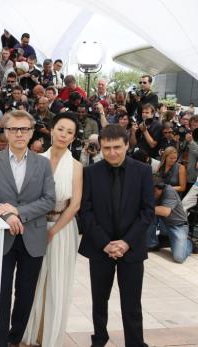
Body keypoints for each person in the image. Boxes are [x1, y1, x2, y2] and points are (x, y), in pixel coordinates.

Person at [0, 110, 56, 347]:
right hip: (2, 238)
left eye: (24, 129)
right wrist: (7, 214)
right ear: (6, 132)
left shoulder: (42, 164)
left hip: (33, 236)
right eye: (13, 129)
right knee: (1, 293)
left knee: (25, 294)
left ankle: (14, 339)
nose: (19, 133)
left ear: (32, 132)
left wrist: (18, 212)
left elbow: (49, 200)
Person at [79, 124, 154, 347]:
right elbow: (86, 210)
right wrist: (105, 244)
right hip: (100, 248)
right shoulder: (91, 172)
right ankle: (99, 339)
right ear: (100, 147)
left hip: (131, 248)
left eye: (117, 147)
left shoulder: (142, 171)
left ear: (127, 145)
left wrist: (126, 242)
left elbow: (147, 211)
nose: (112, 152)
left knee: (132, 303)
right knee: (99, 300)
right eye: (106, 148)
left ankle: (135, 343)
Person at [23, 113, 83, 346]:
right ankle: (31, 331)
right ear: (51, 129)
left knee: (57, 281)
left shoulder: (77, 167)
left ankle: (49, 335)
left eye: (69, 132)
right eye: (60, 129)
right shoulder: (36, 160)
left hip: (63, 229)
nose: (64, 135)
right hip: (35, 226)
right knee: (34, 280)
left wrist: (53, 230)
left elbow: (75, 204)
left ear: (74, 137)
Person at [147, 179, 193, 263]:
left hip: (177, 226)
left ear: (160, 189)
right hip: (163, 223)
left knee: (179, 258)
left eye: (154, 191)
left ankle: (189, 243)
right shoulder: (152, 192)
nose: (152, 195)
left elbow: (165, 211)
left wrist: (145, 208)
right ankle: (152, 244)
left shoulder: (169, 191)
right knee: (149, 214)